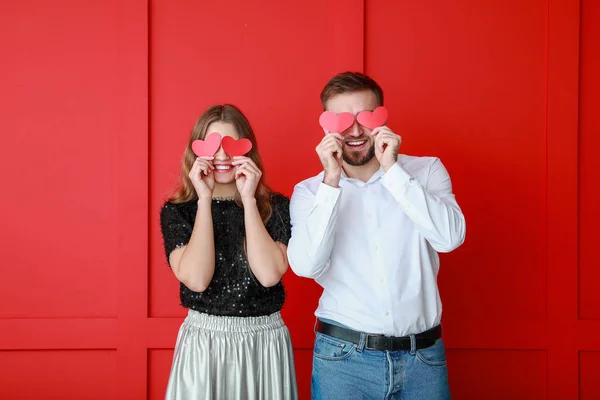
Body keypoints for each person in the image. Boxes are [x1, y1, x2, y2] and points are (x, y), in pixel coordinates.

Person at [287, 72, 466, 399]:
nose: (355, 130)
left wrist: (393, 171)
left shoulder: (426, 172)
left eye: (365, 117)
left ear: (383, 118)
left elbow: (450, 238)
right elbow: (306, 266)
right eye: (342, 120)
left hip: (423, 359)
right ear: (327, 128)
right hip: (343, 361)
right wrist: (331, 180)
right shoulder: (310, 192)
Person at [159, 104, 298, 400]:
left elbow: (269, 274)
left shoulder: (277, 207)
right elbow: (196, 279)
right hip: (204, 343)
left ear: (248, 150)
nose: (222, 156)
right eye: (211, 146)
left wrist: (249, 200)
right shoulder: (178, 212)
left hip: (264, 342)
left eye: (231, 146)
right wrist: (204, 200)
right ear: (196, 152)